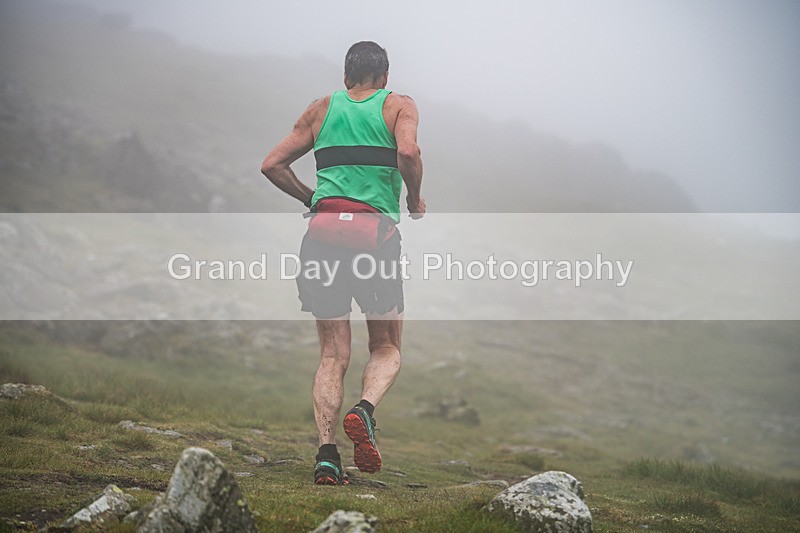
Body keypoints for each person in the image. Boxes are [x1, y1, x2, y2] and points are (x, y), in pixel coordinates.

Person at [261, 41, 425, 485]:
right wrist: (413, 199)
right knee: (387, 348)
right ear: (385, 77)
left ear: (346, 76)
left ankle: (327, 457)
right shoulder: (397, 106)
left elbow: (272, 164)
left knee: (333, 354)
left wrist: (312, 198)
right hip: (374, 240)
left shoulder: (320, 110)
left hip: (321, 240)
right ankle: (365, 411)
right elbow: (408, 154)